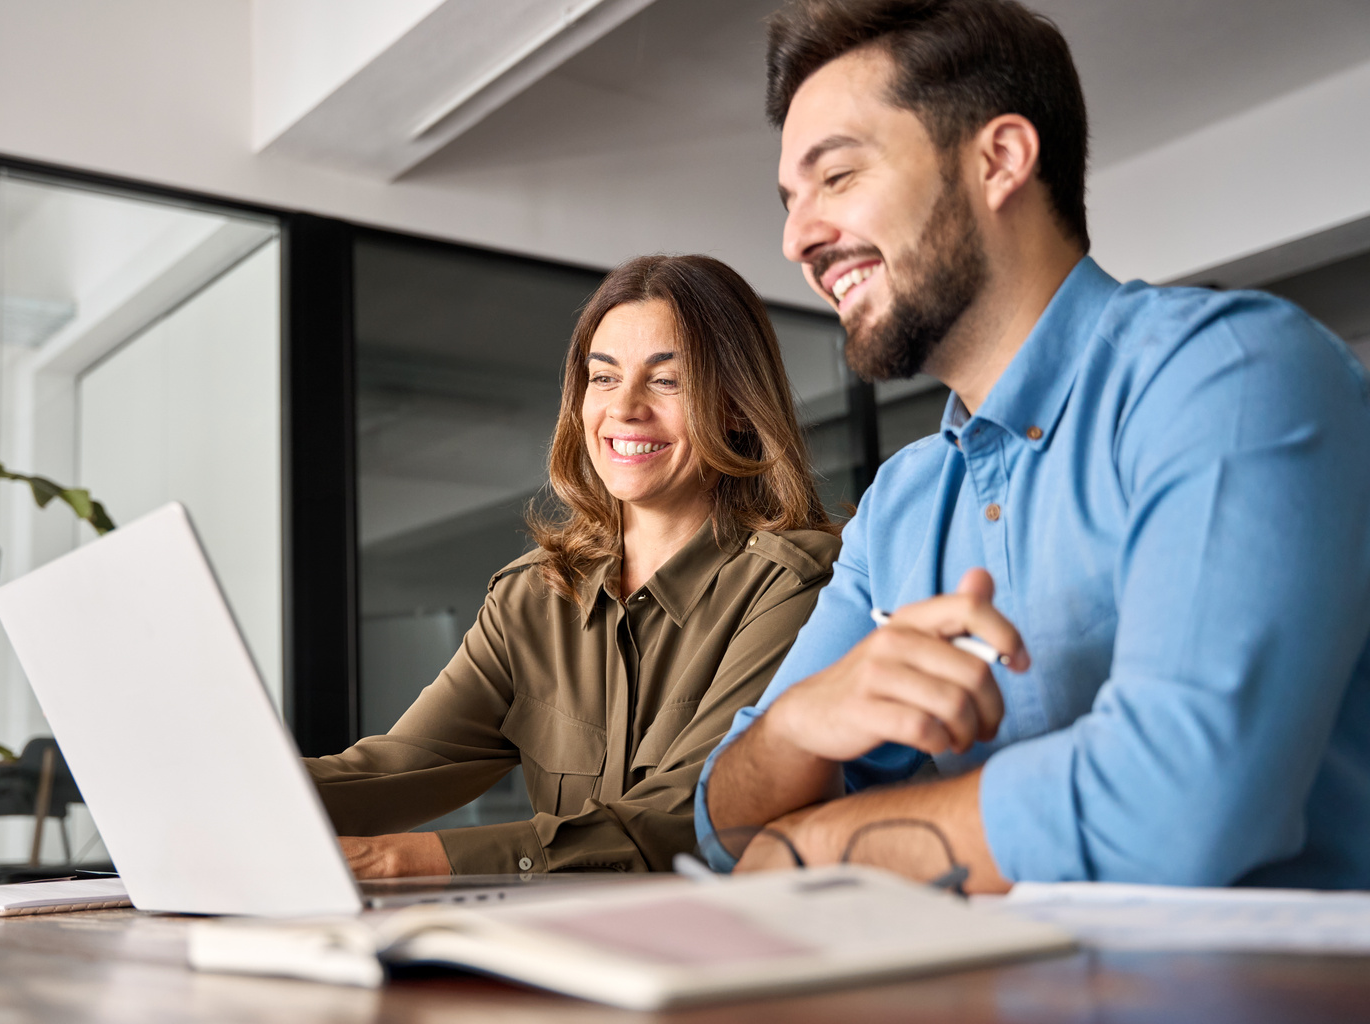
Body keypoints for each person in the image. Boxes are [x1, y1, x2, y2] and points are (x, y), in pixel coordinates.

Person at [695, 0, 1370, 891]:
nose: (795, 240)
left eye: (838, 177)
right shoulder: (898, 509)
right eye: (790, 201)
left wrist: (815, 843)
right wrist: (793, 730)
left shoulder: (1230, 371)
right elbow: (722, 828)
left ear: (999, 159)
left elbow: (1179, 809)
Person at [307, 253, 841, 878]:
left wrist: (400, 859)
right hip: (558, 953)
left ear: (736, 407)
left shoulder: (798, 584)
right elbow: (398, 768)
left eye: (667, 381)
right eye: (603, 377)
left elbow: (687, 814)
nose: (625, 408)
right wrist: (215, 792)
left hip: (722, 955)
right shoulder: (532, 596)